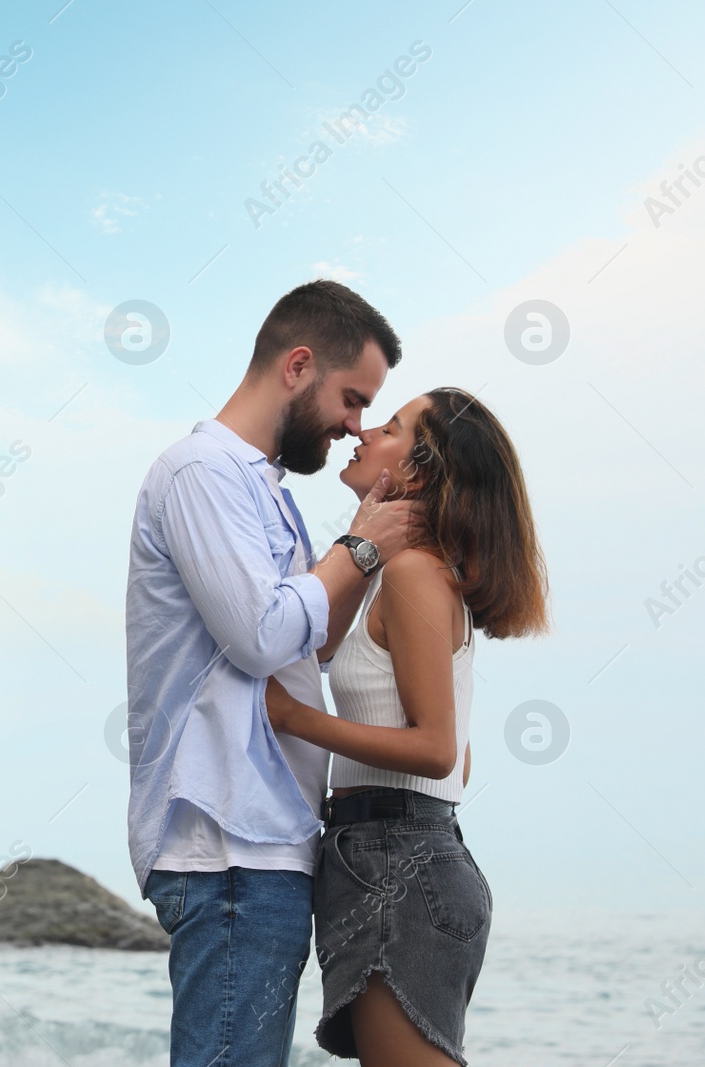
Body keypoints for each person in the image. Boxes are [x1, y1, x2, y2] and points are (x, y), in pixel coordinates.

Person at [125, 279, 422, 1067]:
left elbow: (305, 650)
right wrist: (357, 547)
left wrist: (366, 554)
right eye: (352, 398)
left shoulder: (267, 494)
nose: (354, 426)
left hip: (264, 844)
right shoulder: (202, 472)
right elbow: (261, 637)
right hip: (226, 844)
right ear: (298, 365)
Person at [264, 388, 550, 1066]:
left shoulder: (416, 574)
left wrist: (296, 717)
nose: (362, 432)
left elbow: (435, 748)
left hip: (397, 859)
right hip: (393, 852)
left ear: (418, 470)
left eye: (389, 427)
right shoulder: (400, 570)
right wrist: (359, 544)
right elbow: (459, 760)